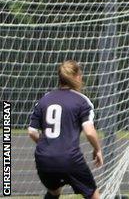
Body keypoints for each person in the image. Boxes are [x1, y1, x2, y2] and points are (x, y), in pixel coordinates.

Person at [28, 60, 104, 199]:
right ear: (75, 77)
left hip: (44, 159)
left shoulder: (44, 99)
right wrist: (97, 149)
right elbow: (89, 131)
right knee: (94, 195)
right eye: (80, 75)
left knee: (54, 191)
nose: (82, 78)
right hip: (69, 158)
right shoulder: (81, 101)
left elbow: (32, 131)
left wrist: (48, 144)